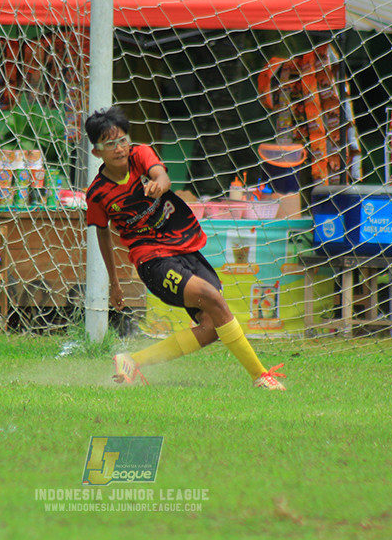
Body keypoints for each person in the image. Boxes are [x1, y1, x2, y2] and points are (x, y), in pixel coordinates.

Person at [84, 106, 285, 390]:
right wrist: (114, 283)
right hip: (150, 259)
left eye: (122, 140)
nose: (119, 148)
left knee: (212, 326)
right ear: (97, 152)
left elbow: (164, 178)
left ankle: (132, 360)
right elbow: (102, 235)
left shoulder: (140, 154)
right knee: (211, 297)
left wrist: (158, 184)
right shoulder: (97, 193)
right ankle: (260, 375)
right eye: (110, 144)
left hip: (183, 245)